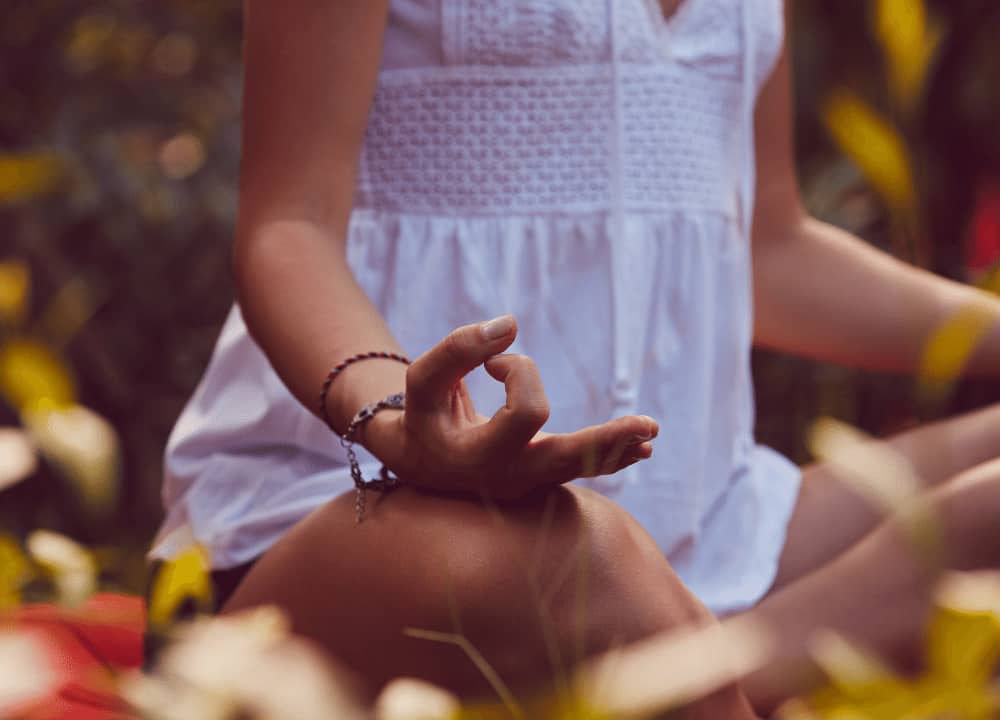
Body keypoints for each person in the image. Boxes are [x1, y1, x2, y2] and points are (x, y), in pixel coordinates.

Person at [150, 0, 1000, 713]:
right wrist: (401, 424)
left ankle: (674, 673)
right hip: (351, 509)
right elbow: (287, 227)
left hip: (704, 525)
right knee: (581, 556)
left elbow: (767, 248)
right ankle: (676, 671)